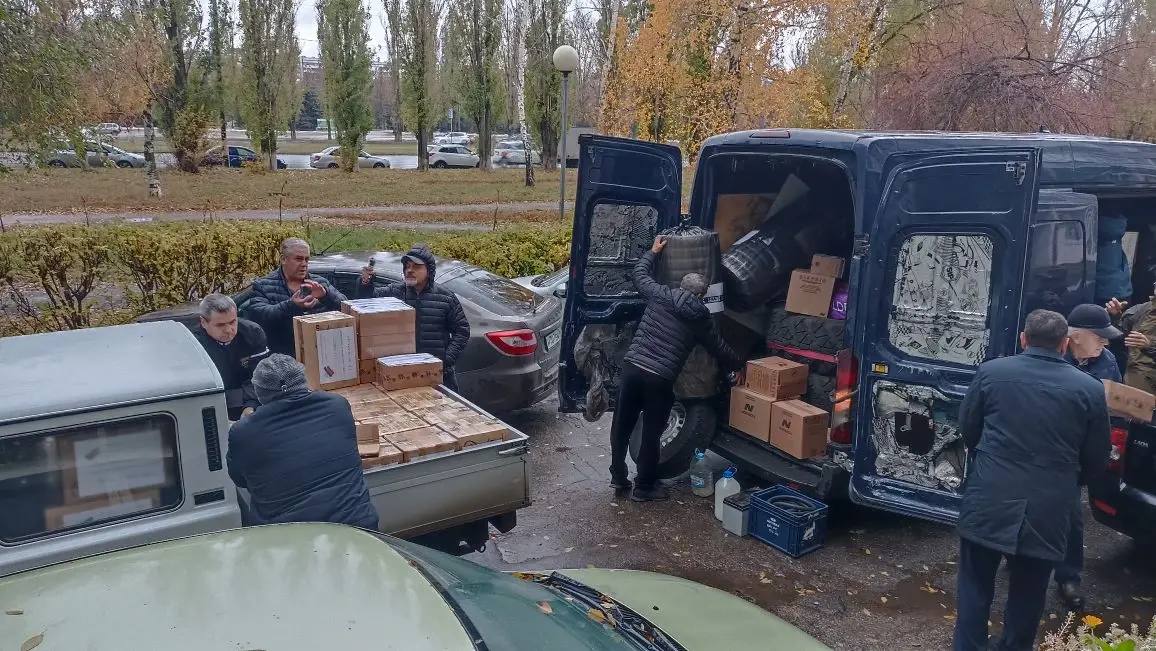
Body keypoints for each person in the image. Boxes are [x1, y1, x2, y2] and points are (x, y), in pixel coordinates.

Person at [954, 310, 1110, 651]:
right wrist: (1065, 481)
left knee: (974, 587)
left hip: (989, 496)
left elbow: (969, 429)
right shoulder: (1089, 389)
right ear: (1065, 344)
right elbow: (1097, 458)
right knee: (1029, 593)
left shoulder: (991, 372)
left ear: (1023, 339)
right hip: (1049, 506)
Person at [609, 236, 742, 503]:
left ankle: (618, 475)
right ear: (702, 295)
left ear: (680, 285)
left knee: (622, 425)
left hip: (633, 369)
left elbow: (639, 274)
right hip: (658, 379)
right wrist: (739, 365)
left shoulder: (660, 294)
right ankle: (644, 487)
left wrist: (653, 251)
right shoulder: (700, 318)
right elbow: (718, 347)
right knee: (651, 434)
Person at [226, 354, 378, 529]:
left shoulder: (243, 432)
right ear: (303, 380)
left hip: (290, 537)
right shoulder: (337, 406)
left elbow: (240, 479)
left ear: (259, 392)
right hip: (358, 528)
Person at [1055, 304, 1122, 611]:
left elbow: (1114, 406)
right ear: (1077, 336)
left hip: (1076, 453)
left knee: (1071, 518)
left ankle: (1068, 578)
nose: (1106, 342)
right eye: (1100, 336)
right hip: (1047, 446)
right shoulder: (1054, 354)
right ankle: (1017, 559)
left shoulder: (1107, 361)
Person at [357, 245, 470, 391]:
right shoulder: (395, 292)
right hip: (403, 372)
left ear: (429, 270)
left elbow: (462, 331)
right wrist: (365, 283)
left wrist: (445, 359)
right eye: (407, 266)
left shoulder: (445, 297)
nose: (409, 270)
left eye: (416, 266)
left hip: (438, 375)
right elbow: (366, 301)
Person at [245, 238, 347, 356]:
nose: (304, 264)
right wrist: (292, 305)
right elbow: (258, 316)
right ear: (283, 259)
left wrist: (325, 296)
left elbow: (346, 307)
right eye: (298, 259)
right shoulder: (263, 285)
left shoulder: (320, 283)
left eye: (306, 259)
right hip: (282, 358)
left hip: (320, 353)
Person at [192, 293, 269, 420]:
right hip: (212, 408)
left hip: (252, 402)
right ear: (203, 322)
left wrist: (250, 406)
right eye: (220, 325)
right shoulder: (193, 344)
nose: (229, 330)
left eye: (233, 322)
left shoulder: (253, 333)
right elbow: (199, 389)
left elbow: (262, 376)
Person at [1106, 283, 1156, 394]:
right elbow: (1119, 336)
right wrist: (1115, 316)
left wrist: (1149, 346)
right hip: (1134, 378)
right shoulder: (1141, 310)